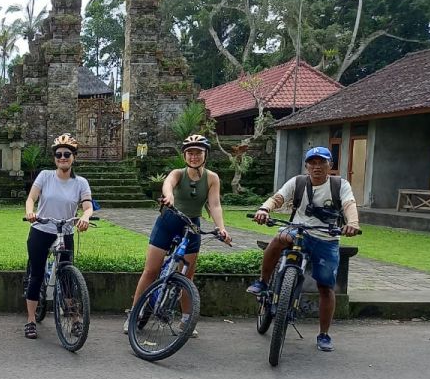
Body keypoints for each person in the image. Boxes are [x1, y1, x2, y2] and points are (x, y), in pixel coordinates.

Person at [247, 146, 360, 352]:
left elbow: (349, 204)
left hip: (326, 237)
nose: (317, 167)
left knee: (326, 287)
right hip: (298, 231)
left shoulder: (340, 185)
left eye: (322, 162)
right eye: (313, 163)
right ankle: (263, 282)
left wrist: (352, 222)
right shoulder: (298, 182)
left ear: (330, 166)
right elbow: (278, 198)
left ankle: (324, 334)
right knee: (279, 238)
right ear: (307, 165)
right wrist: (264, 209)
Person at [127, 134, 231, 338]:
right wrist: (170, 196)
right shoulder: (178, 173)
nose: (194, 156)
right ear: (185, 155)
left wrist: (221, 228)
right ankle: (134, 314)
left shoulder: (212, 178)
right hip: (169, 221)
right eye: (190, 153)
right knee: (151, 270)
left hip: (192, 226)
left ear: (205, 155)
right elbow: (168, 184)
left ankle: (186, 320)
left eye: (198, 152)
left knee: (187, 277)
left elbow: (215, 204)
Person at [22, 133, 94, 339]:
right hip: (42, 229)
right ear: (54, 158)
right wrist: (31, 213)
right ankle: (30, 320)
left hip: (66, 231)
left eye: (67, 154)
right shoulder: (45, 176)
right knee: (36, 275)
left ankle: (75, 320)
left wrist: (86, 217)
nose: (63, 158)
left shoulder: (80, 182)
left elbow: (88, 206)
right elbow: (31, 198)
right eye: (59, 155)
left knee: (67, 277)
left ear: (74, 157)